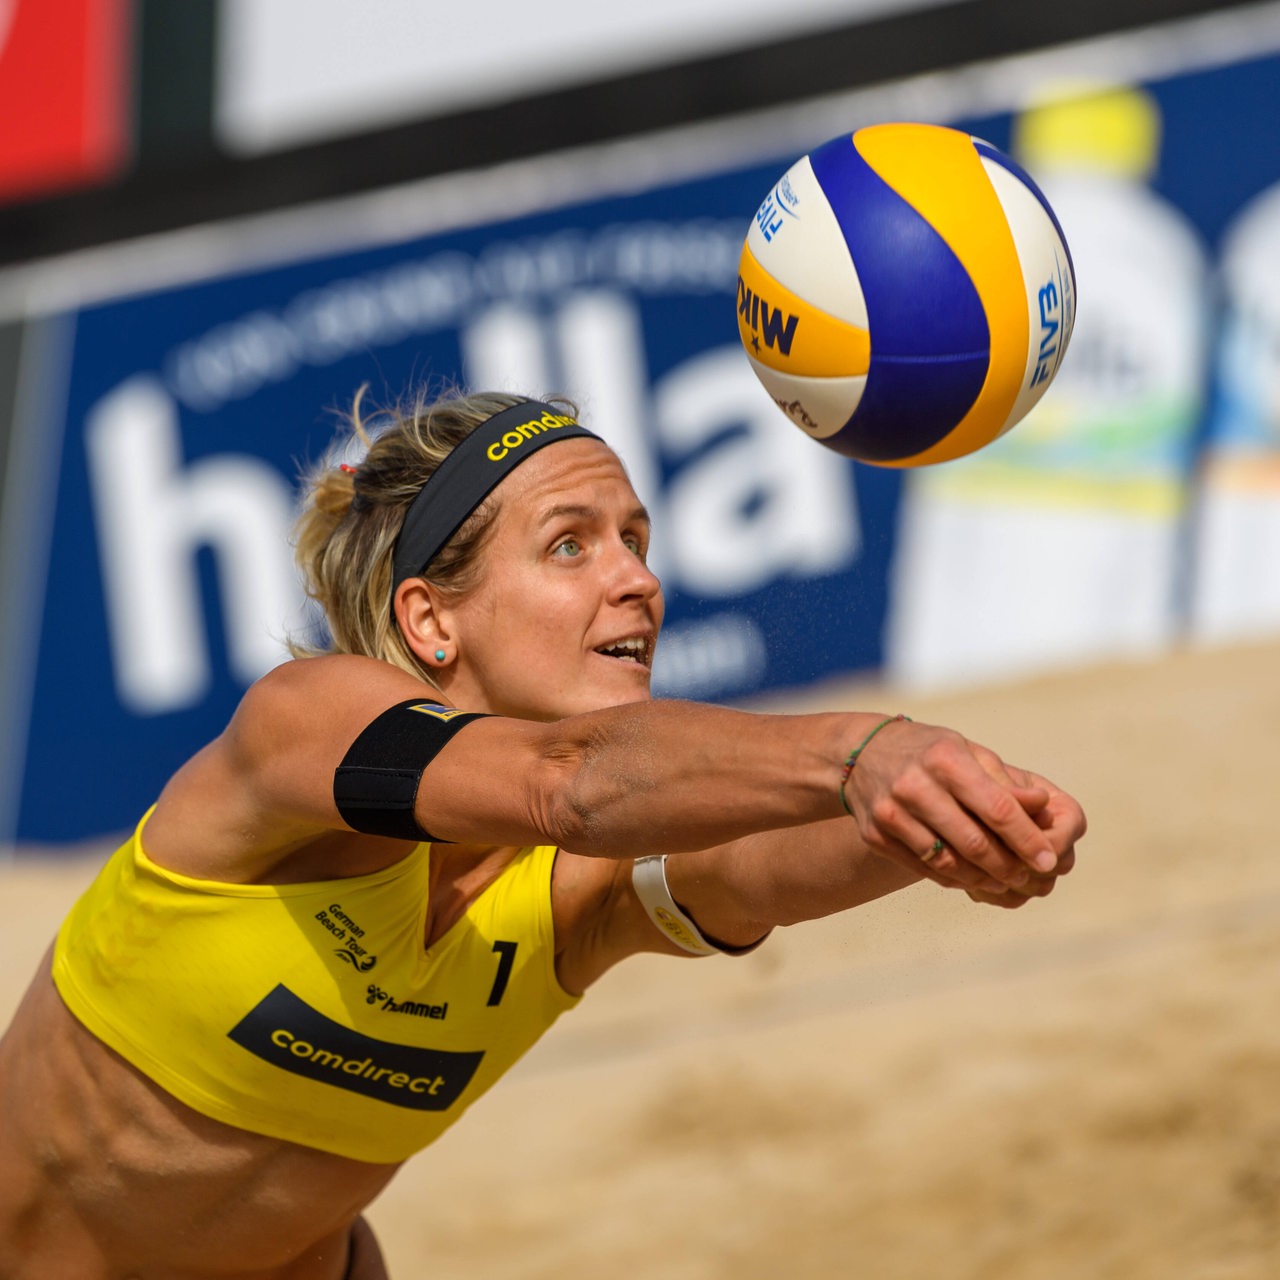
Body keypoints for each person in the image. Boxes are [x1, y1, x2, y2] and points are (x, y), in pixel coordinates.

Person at [0, 388, 1086, 1278]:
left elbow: (750, 873)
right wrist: (865, 749)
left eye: (634, 541)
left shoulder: (566, 893)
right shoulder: (306, 727)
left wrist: (940, 824)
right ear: (429, 619)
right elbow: (566, 781)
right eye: (570, 545)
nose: (638, 578)